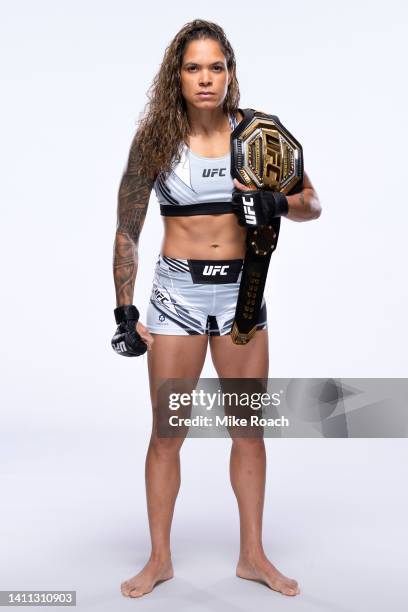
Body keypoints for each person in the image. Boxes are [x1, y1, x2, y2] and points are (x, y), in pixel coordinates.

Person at [112, 19, 321, 599]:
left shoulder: (259, 135)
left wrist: (278, 201)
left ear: (230, 71)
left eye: (216, 67)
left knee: (249, 432)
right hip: (176, 294)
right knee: (167, 433)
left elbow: (312, 203)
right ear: (176, 77)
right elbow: (128, 227)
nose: (206, 79)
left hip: (241, 296)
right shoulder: (156, 141)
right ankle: (159, 559)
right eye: (193, 68)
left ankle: (252, 555)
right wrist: (123, 310)